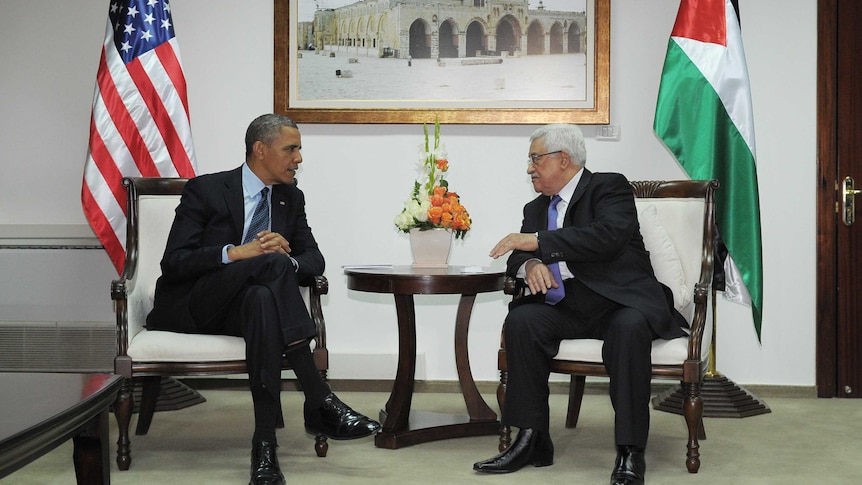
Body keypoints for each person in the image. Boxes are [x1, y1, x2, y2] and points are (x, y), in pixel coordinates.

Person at [146, 113, 380, 485]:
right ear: (260, 149)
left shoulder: (290, 198)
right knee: (268, 266)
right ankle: (319, 399)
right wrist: (235, 253)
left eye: (299, 150)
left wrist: (285, 257)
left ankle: (265, 446)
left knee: (261, 298)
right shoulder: (206, 190)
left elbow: (313, 260)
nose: (299, 158)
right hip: (196, 304)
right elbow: (173, 263)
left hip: (246, 309)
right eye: (291, 149)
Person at [472, 124, 687, 485]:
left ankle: (630, 450)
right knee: (523, 322)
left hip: (620, 300)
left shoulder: (609, 187)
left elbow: (607, 237)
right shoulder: (535, 207)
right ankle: (531, 438)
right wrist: (531, 263)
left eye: (535, 159)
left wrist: (538, 241)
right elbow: (515, 259)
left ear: (563, 160)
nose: (530, 168)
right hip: (567, 305)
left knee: (629, 329)